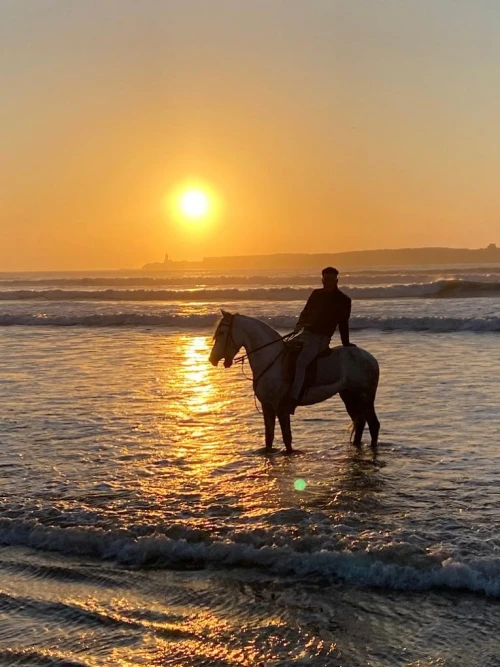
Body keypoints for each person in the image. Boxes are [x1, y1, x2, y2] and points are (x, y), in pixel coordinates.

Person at [281, 266, 354, 414]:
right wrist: (298, 326)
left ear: (336, 281)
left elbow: (343, 324)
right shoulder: (316, 294)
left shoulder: (343, 300)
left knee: (301, 362)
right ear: (322, 280)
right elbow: (306, 312)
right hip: (306, 334)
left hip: (321, 339)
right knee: (282, 351)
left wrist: (346, 343)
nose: (328, 283)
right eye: (326, 280)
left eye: (331, 280)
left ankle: (293, 399)